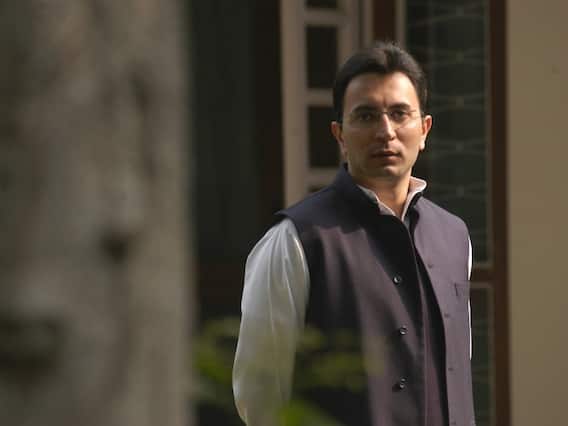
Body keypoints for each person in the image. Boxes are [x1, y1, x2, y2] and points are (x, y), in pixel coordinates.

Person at [233, 41, 475, 426]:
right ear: (340, 135)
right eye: (366, 116)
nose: (385, 131)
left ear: (424, 129)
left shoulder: (455, 236)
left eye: (400, 114)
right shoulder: (296, 240)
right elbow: (261, 397)